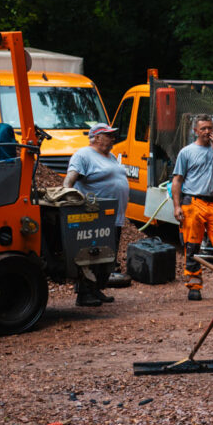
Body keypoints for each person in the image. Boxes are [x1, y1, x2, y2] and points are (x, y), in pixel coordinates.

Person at [172, 114, 213, 301]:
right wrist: (177, 206)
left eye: (210, 128)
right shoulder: (186, 152)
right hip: (193, 203)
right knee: (192, 245)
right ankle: (194, 285)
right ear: (195, 131)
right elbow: (177, 180)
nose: (207, 132)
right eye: (203, 129)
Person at [64, 123, 130, 306]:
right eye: (108, 135)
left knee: (107, 256)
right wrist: (65, 198)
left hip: (113, 217)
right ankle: (84, 293)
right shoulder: (83, 155)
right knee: (91, 255)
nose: (112, 139)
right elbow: (70, 179)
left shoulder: (110, 157)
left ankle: (96, 289)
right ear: (96, 137)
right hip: (94, 217)